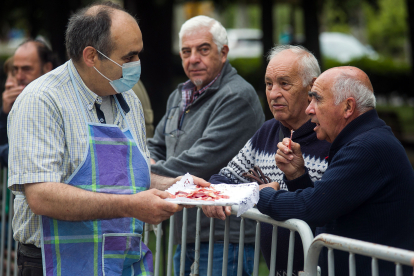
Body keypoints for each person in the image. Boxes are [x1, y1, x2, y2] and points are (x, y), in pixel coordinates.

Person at [8, 3, 206, 275]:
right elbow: (41, 196)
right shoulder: (41, 101)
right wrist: (130, 206)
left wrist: (176, 186)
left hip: (119, 259)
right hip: (54, 261)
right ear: (91, 56)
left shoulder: (129, 101)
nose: (137, 64)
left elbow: (130, 176)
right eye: (129, 56)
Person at [259, 66, 414, 275]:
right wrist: (297, 176)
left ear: (348, 107)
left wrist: (262, 194)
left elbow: (313, 207)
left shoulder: (367, 147)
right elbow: (330, 209)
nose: (309, 109)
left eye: (317, 99)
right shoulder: (365, 140)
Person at [146, 15, 265, 275]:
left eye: (203, 49)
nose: (193, 59)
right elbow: (156, 146)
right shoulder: (180, 95)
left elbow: (198, 161)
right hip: (186, 231)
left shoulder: (237, 96)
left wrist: (145, 175)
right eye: (186, 52)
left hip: (226, 238)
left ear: (223, 53)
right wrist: (148, 163)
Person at [204, 45, 331, 275]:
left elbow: (322, 210)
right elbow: (220, 179)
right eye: (269, 84)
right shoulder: (268, 131)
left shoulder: (330, 136)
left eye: (284, 84)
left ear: (311, 87)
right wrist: (256, 190)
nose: (273, 94)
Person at [0, 40, 56, 166]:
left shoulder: (56, 103)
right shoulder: (15, 103)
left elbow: (16, 156)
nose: (19, 76)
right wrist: (5, 113)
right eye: (16, 70)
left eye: (26, 69)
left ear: (47, 68)